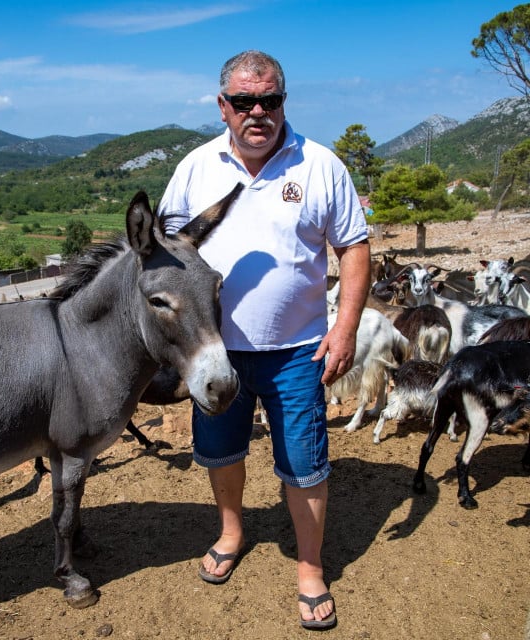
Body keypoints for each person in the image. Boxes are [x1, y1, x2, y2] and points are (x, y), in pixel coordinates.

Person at [158, 50, 370, 630]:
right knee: (221, 451)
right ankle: (231, 531)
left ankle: (309, 566)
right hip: (215, 352)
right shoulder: (195, 167)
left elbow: (353, 247)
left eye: (269, 100)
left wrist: (345, 325)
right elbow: (167, 253)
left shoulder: (321, 165)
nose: (258, 112)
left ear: (283, 102)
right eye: (245, 102)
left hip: (299, 349)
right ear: (223, 106)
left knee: (303, 462)